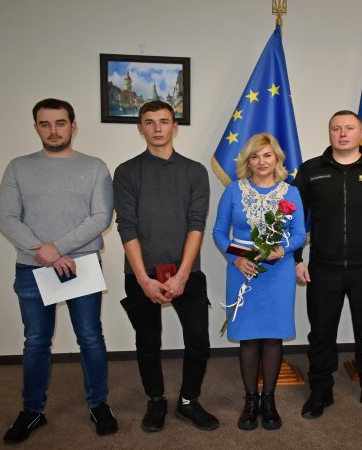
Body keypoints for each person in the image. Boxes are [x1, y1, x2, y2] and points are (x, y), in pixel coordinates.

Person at [0, 98, 117, 443]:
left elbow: (101, 217)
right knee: (36, 340)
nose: (53, 130)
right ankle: (32, 410)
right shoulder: (18, 167)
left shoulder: (95, 167)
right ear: (36, 127)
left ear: (73, 126)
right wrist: (45, 253)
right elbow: (7, 218)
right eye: (45, 124)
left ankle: (99, 404)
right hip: (32, 267)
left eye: (60, 123)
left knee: (90, 337)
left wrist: (58, 248)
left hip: (82, 264)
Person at [293, 110, 362, 420]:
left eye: (349, 128)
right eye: (336, 128)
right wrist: (296, 259)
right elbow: (292, 217)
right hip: (323, 268)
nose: (342, 134)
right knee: (321, 334)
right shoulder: (310, 170)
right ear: (329, 132)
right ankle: (320, 390)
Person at [113, 101, 218, 432]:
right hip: (141, 273)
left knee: (198, 340)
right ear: (140, 128)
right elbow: (126, 227)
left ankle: (188, 400)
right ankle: (156, 399)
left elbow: (196, 224)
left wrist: (183, 276)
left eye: (164, 121)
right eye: (149, 122)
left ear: (175, 127)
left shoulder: (194, 171)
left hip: (187, 272)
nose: (157, 128)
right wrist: (143, 279)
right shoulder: (126, 172)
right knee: (148, 341)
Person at [213, 133, 306, 431]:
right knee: (249, 338)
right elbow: (219, 232)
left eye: (267, 155)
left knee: (273, 337)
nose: (261, 161)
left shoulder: (291, 192)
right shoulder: (233, 190)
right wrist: (236, 259)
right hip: (242, 271)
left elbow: (300, 234)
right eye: (255, 156)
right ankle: (250, 400)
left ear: (277, 158)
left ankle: (269, 400)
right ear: (247, 161)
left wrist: (282, 248)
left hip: (278, 274)